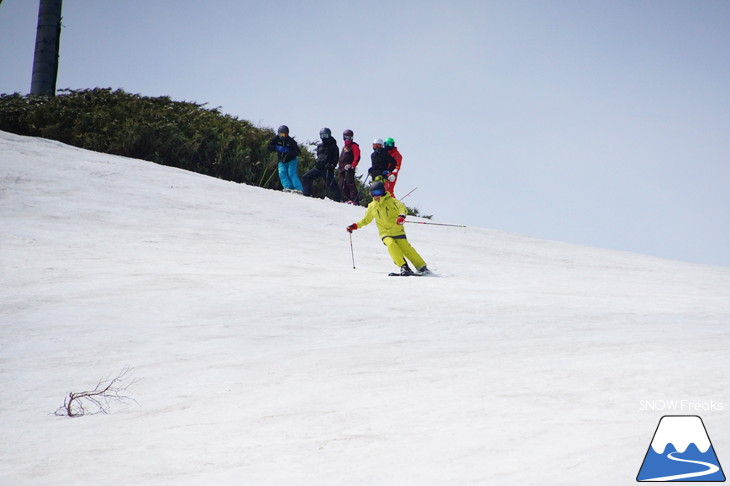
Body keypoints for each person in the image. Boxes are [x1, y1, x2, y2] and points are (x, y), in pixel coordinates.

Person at [346, 181, 430, 276]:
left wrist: (401, 216)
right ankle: (404, 267)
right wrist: (355, 226)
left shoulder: (392, 201)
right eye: (373, 194)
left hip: (397, 230)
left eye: (378, 193)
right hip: (385, 233)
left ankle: (422, 267)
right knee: (391, 245)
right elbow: (366, 220)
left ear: (383, 191)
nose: (376, 196)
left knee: (406, 249)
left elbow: (402, 208)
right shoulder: (372, 206)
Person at [302, 127, 341, 200]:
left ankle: (338, 198)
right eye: (322, 135)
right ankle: (307, 194)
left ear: (329, 135)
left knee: (331, 184)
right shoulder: (320, 146)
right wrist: (317, 162)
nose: (324, 137)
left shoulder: (333, 146)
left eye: (325, 135)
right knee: (306, 177)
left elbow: (336, 158)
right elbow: (319, 156)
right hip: (319, 167)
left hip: (327, 169)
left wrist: (331, 165)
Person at [267, 125, 303, 194]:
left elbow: (298, 152)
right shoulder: (276, 139)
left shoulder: (291, 141)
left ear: (287, 134)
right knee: (282, 173)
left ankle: (298, 188)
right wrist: (277, 148)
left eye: (284, 134)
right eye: (281, 134)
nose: (283, 136)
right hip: (281, 160)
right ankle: (288, 187)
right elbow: (269, 147)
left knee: (291, 173)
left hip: (291, 160)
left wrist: (289, 151)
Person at [337, 129, 361, 204]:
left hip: (349, 168)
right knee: (341, 183)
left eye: (348, 138)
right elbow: (342, 157)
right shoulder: (344, 147)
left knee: (349, 182)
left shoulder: (354, 146)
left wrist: (353, 165)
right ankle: (345, 199)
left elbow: (357, 156)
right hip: (342, 168)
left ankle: (354, 200)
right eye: (345, 138)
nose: (347, 140)